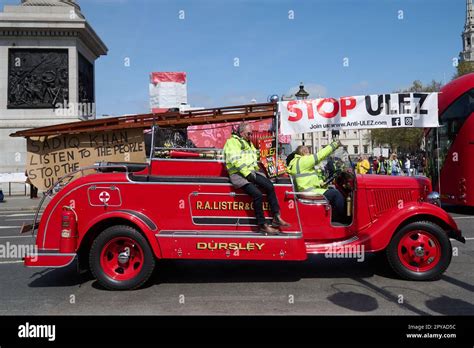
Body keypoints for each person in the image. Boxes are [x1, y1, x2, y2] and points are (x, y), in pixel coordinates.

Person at [223, 122, 290, 234]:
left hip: (251, 172)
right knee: (257, 195)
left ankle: (276, 217)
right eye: (249, 133)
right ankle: (262, 225)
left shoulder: (248, 143)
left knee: (269, 186)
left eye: (251, 133)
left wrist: (271, 159)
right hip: (238, 175)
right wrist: (248, 174)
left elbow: (255, 157)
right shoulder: (232, 142)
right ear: (241, 132)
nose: (251, 136)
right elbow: (236, 161)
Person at [287, 141, 346, 222]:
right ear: (304, 152)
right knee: (336, 194)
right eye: (309, 152)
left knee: (332, 190)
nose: (310, 154)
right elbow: (320, 155)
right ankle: (341, 219)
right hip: (309, 191)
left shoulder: (296, 162)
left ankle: (333, 216)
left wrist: (321, 182)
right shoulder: (303, 161)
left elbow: (307, 178)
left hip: (306, 189)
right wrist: (335, 144)